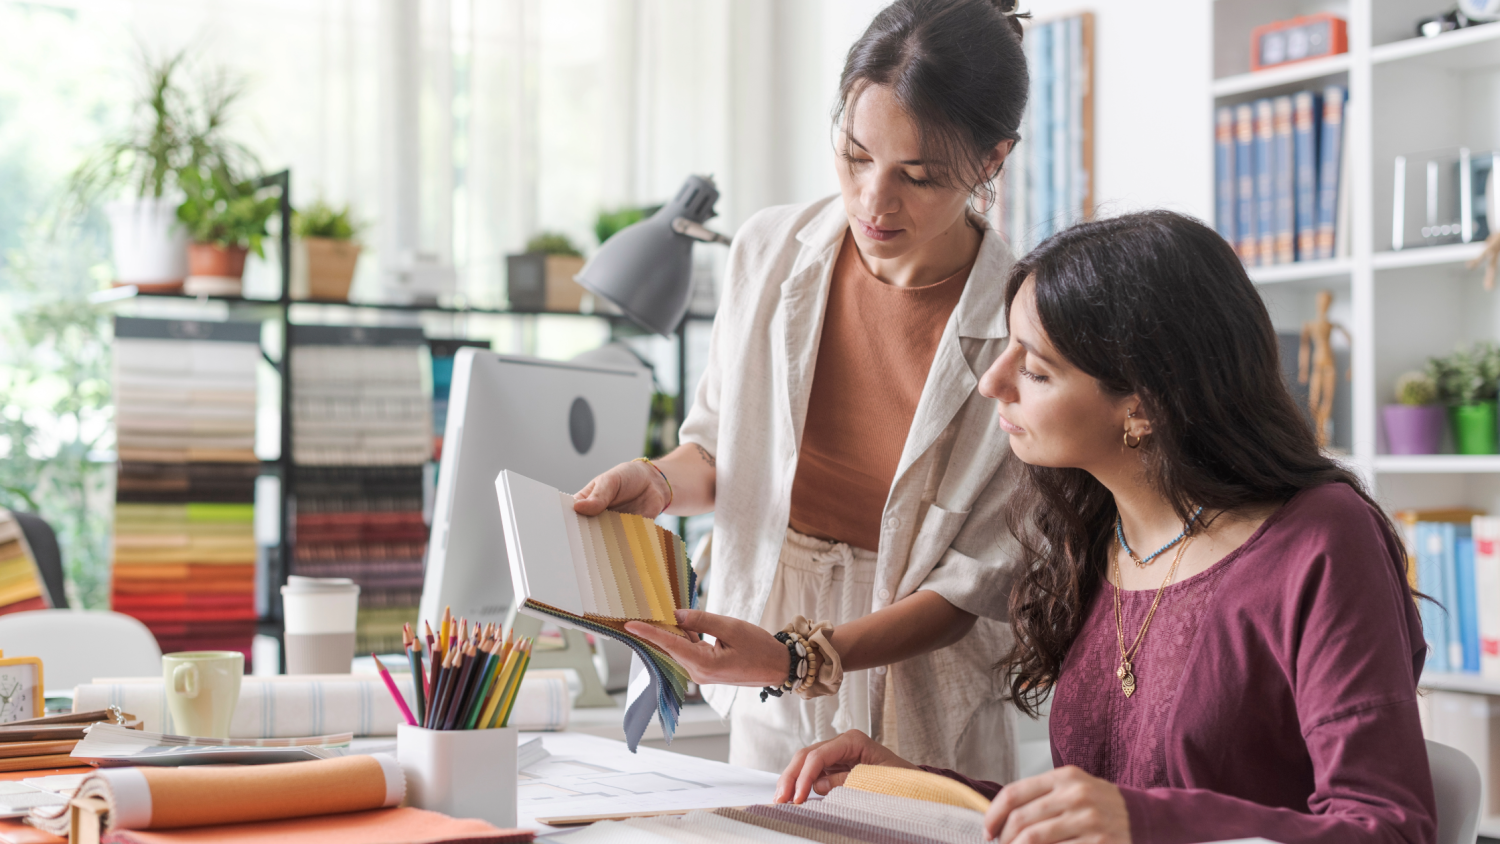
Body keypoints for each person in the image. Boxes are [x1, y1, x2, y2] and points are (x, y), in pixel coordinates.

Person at [775, 211, 1438, 844]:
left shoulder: (1321, 540)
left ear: (1144, 408)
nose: (993, 385)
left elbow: (1388, 828)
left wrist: (1147, 825)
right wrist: (909, 785)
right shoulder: (1095, 535)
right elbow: (1099, 812)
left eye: (1034, 369)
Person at [572, 0, 1029, 779]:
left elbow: (972, 584)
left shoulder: (1025, 319)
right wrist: (653, 482)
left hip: (919, 673)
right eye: (855, 157)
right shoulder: (771, 249)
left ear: (991, 161)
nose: (873, 203)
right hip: (766, 644)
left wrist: (801, 656)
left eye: (916, 177)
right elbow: (717, 449)